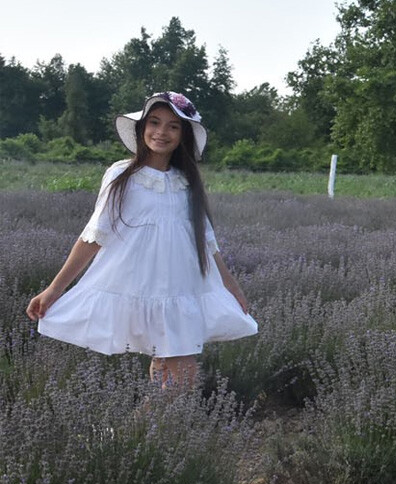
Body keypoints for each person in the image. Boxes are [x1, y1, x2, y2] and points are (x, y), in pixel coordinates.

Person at [26, 91, 257, 387]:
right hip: (141, 286)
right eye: (154, 122)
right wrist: (54, 289)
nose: (161, 132)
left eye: (173, 126)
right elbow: (94, 235)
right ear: (142, 127)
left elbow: (206, 240)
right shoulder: (122, 175)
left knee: (166, 366)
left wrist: (231, 286)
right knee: (183, 376)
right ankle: (143, 419)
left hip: (181, 288)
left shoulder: (187, 181)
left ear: (183, 135)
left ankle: (152, 418)